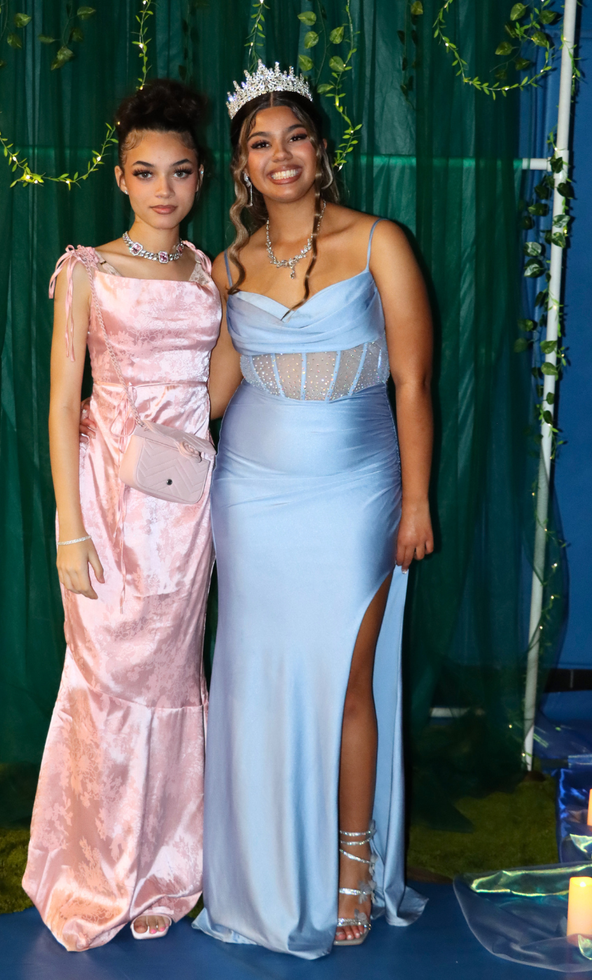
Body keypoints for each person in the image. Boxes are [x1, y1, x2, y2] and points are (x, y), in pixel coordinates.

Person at [193, 62, 434, 957]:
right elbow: (210, 395)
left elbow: (412, 383)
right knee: (255, 683)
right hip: (248, 495)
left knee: (347, 680)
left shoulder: (380, 242)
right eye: (261, 144)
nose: (280, 155)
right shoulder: (229, 266)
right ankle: (260, 870)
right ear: (243, 167)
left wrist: (415, 500)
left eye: (294, 136)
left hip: (357, 489)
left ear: (320, 150)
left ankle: (350, 864)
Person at [22, 79, 220, 950]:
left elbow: (218, 385)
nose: (163, 190)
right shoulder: (86, 270)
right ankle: (94, 871)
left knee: (173, 686)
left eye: (179, 172)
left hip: (186, 507)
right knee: (104, 680)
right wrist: (69, 523)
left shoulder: (211, 271)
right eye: (146, 173)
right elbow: (63, 402)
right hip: (105, 499)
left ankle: (164, 873)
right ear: (120, 178)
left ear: (201, 177)